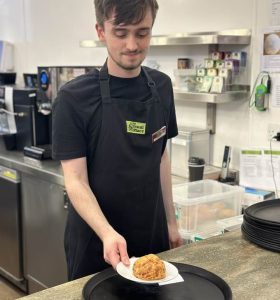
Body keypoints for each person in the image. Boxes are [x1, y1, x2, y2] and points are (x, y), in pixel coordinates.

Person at [52, 0, 183, 281]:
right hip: (96, 242)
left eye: (143, 32)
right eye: (121, 33)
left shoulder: (161, 86)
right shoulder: (74, 98)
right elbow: (75, 180)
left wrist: (171, 223)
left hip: (151, 236)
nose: (133, 45)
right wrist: (107, 233)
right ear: (101, 31)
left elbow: (160, 156)